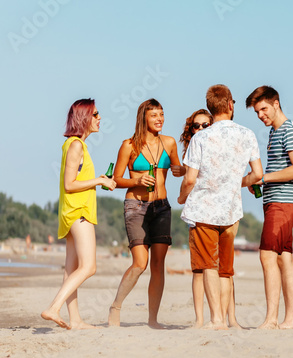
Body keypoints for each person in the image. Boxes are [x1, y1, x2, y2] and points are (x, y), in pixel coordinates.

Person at [178, 85, 263, 330]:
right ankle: (227, 320)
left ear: (212, 108)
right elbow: (257, 174)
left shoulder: (200, 138)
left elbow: (190, 178)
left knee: (208, 266)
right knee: (226, 269)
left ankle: (215, 320)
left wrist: (183, 197)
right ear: (230, 105)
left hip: (204, 210)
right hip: (231, 211)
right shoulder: (247, 134)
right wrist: (238, 183)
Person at [108, 99, 184, 328]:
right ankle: (116, 307)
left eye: (161, 114)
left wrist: (182, 170)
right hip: (136, 207)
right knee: (140, 263)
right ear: (144, 118)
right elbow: (115, 179)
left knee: (158, 264)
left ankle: (153, 319)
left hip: (161, 207)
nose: (159, 118)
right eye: (154, 115)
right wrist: (136, 179)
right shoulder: (129, 145)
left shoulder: (169, 143)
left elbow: (177, 170)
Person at [41, 99, 116, 329]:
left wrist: (97, 180)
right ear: (84, 118)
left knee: (71, 269)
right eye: (95, 114)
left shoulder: (74, 145)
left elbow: (74, 181)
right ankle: (53, 308)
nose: (99, 118)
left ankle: (75, 320)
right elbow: (69, 185)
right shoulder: (75, 145)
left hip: (72, 212)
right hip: (78, 212)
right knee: (89, 267)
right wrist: (100, 180)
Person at [245, 86, 293, 329]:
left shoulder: (290, 130)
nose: (261, 115)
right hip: (275, 201)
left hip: (283, 202)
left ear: (276, 103)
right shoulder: (275, 132)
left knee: (267, 255)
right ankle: (291, 319)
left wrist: (264, 178)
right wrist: (260, 181)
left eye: (263, 109)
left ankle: (271, 319)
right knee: (284, 257)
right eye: (257, 112)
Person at [180, 108, 240, 328]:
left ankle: (228, 318)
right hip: (202, 212)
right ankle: (200, 319)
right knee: (200, 268)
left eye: (206, 125)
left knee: (224, 269)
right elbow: (188, 178)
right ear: (191, 129)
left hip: (225, 211)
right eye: (197, 125)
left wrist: (181, 196)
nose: (201, 128)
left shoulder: (219, 144)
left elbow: (189, 181)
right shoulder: (193, 148)